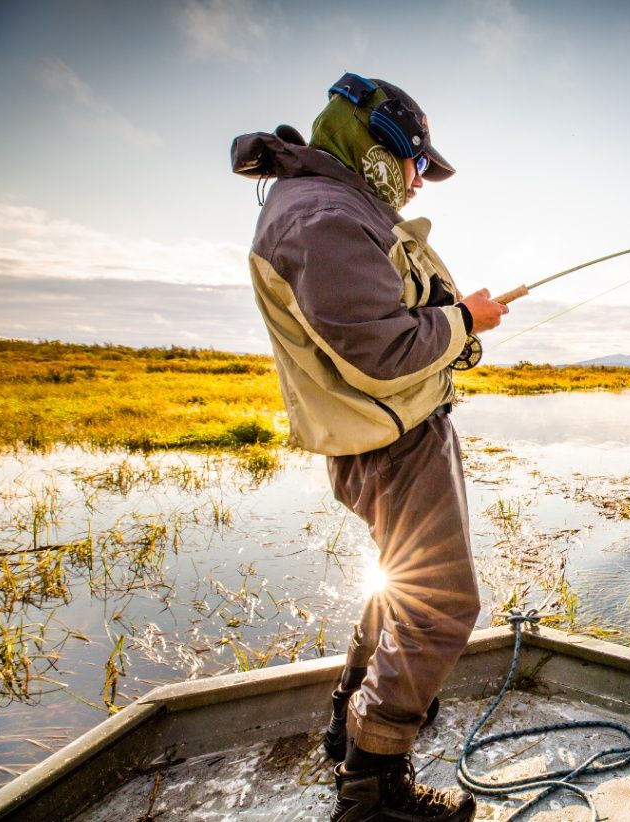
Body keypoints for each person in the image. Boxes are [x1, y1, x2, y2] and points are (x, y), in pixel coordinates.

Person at [231, 72, 507, 822]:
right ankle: (372, 790)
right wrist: (467, 322)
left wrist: (450, 320)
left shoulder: (332, 205)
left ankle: (348, 725)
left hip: (393, 433)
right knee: (442, 606)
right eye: (417, 163)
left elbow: (384, 320)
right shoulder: (323, 215)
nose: (419, 183)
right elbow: (381, 350)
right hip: (391, 443)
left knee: (400, 588)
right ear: (376, 145)